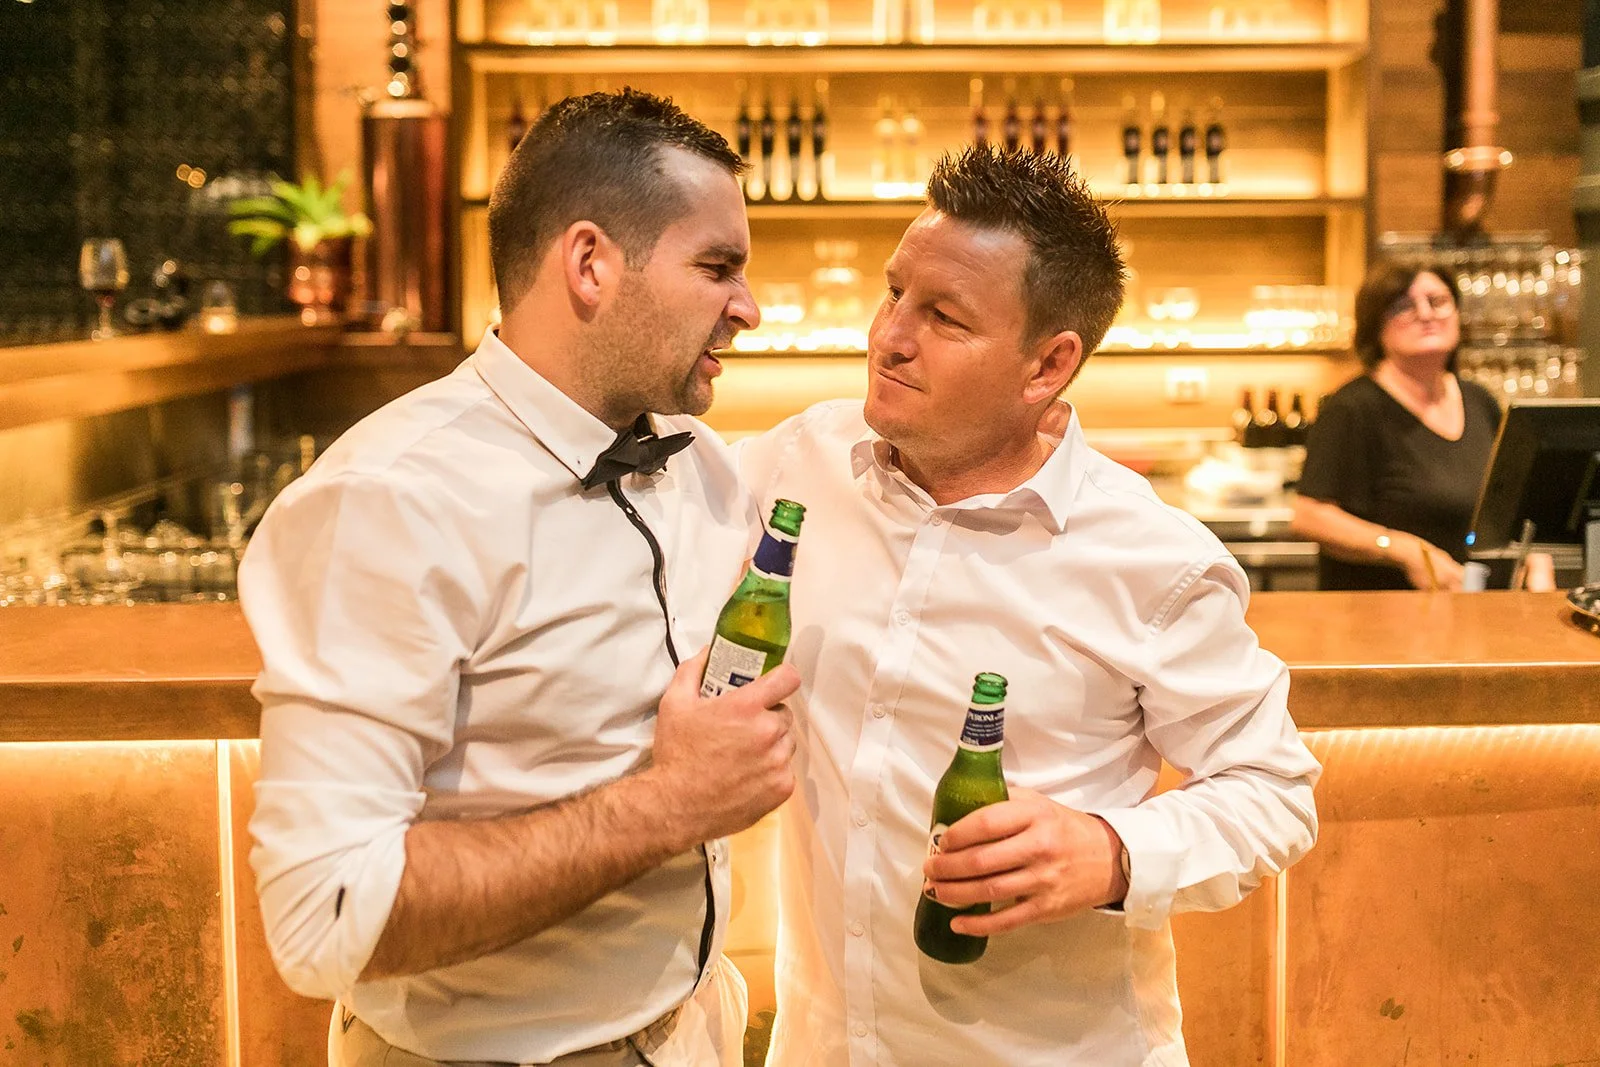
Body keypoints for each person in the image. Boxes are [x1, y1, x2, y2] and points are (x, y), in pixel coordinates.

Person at [237, 90, 800, 1067]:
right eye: (717, 267)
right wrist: (669, 802)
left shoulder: (702, 463)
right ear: (590, 264)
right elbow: (322, 915)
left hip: (694, 1030)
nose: (748, 307)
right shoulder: (390, 500)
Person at [735, 146, 1322, 1066]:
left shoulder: (1153, 556)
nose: (889, 336)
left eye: (945, 317)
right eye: (895, 293)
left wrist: (1110, 851)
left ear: (1048, 363)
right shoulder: (798, 463)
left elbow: (1274, 791)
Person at [1292, 262, 1503, 590]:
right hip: (1379, 610)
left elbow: (1510, 503)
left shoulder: (1480, 401)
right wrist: (1403, 550)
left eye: (1438, 302)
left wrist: (1536, 559)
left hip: (1471, 605)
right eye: (1403, 306)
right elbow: (1309, 516)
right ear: (1375, 327)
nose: (1426, 314)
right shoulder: (1352, 408)